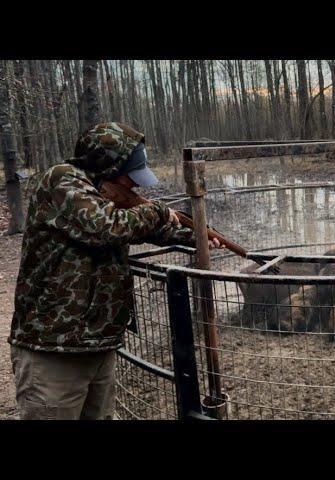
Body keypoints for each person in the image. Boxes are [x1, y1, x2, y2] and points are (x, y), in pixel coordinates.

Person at [8, 122, 223, 420]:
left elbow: (142, 228)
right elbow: (106, 227)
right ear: (106, 165)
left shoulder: (101, 194)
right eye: (130, 177)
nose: (134, 186)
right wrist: (159, 210)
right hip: (54, 348)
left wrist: (195, 234)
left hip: (99, 342)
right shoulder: (62, 180)